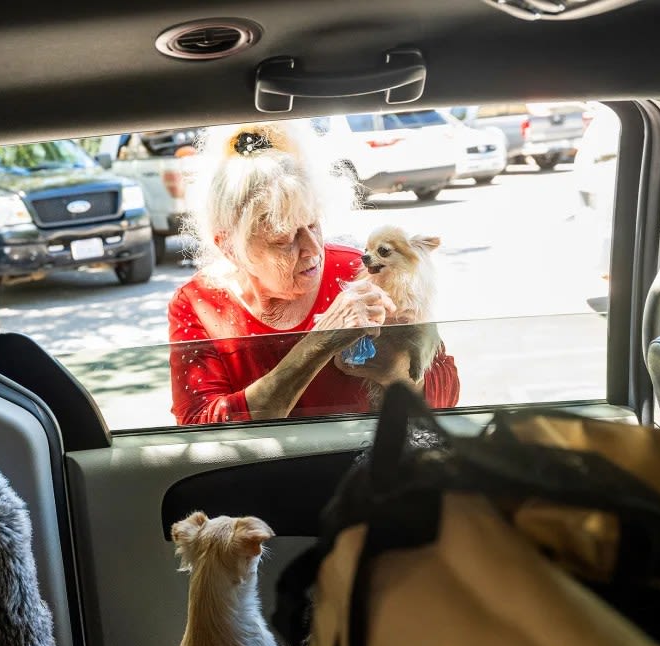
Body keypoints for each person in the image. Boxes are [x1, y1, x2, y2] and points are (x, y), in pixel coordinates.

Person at [167, 120, 460, 426]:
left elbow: (448, 392)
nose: (313, 248)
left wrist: (397, 374)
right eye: (284, 238)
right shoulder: (198, 304)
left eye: (313, 224)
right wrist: (319, 343)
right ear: (229, 247)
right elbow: (199, 426)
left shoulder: (361, 271)